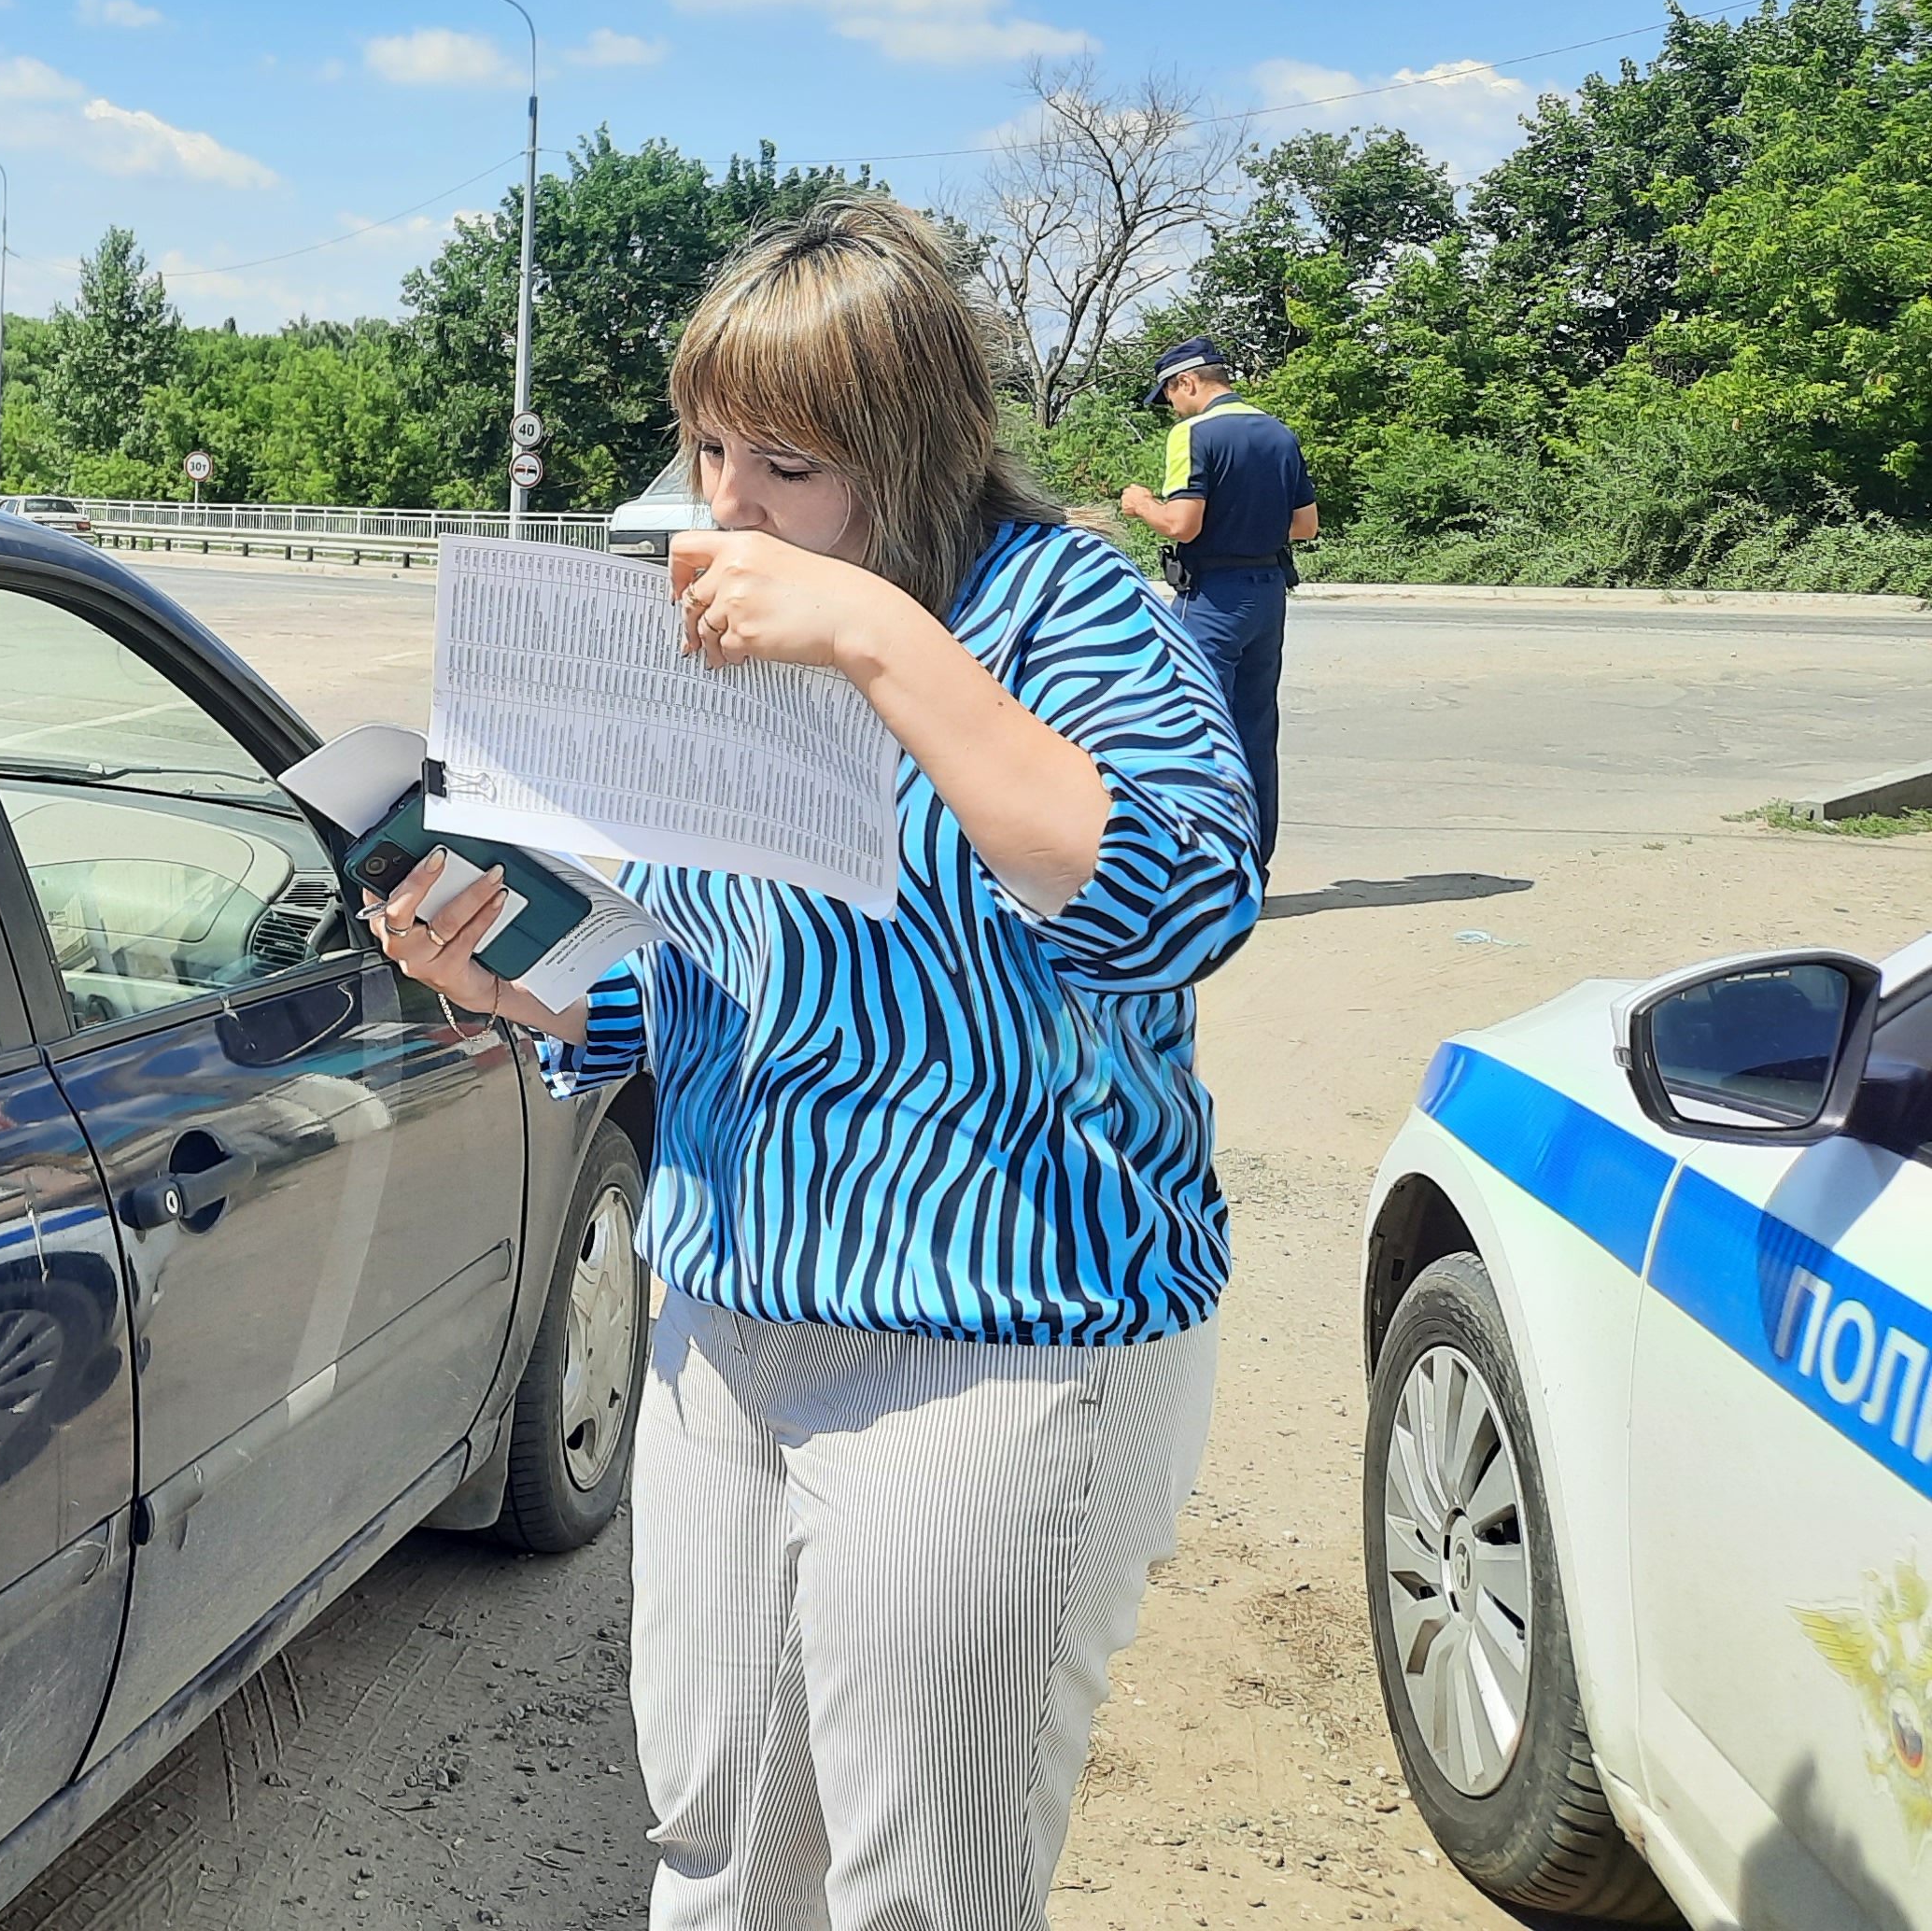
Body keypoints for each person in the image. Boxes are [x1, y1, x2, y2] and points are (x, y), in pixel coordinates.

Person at [368, 198, 1259, 1931]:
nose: (731, 506)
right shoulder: (712, 630)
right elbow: (690, 986)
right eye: (710, 448)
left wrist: (882, 642)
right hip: (730, 1314)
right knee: (711, 1843)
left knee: (914, 1883)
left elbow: (1175, 901)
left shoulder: (1061, 617)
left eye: (790, 462)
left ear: (913, 449)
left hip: (999, 1338)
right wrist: (513, 983)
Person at [1116, 334, 1316, 877]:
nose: (1171, 410)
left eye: (1170, 397)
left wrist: (1141, 505)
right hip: (1268, 592)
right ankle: (1254, 868)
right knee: (1254, 728)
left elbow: (1183, 524)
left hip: (1211, 597)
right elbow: (1306, 526)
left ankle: (1207, 872)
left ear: (1188, 382)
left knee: (1196, 727)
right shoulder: (1278, 432)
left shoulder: (1194, 434)